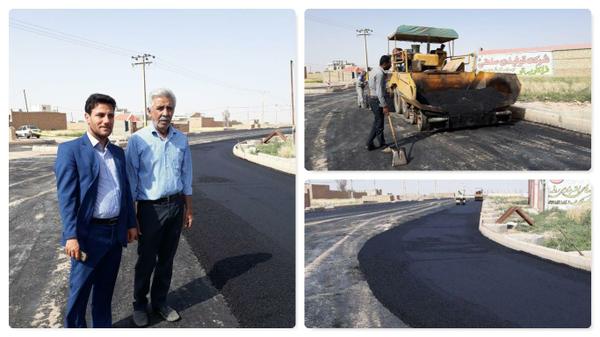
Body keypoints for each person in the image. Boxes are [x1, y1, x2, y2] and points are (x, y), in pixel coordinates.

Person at [55, 93, 138, 328]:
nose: (106, 120)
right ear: (87, 117)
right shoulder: (71, 150)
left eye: (110, 115)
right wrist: (71, 236)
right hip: (88, 236)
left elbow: (125, 192)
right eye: (100, 115)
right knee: (79, 294)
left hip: (114, 234)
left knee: (105, 292)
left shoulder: (117, 153)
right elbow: (67, 198)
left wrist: (131, 223)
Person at [126, 88, 193, 327]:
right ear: (149, 111)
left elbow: (186, 175)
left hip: (175, 207)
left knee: (167, 259)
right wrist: (131, 217)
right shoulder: (138, 140)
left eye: (170, 108)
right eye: (160, 108)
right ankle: (139, 305)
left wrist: (188, 209)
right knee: (146, 260)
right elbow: (131, 178)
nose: (165, 113)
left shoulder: (181, 139)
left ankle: (160, 303)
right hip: (149, 210)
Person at [366, 55, 392, 151]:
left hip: (372, 99)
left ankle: (369, 143)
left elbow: (375, 87)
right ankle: (382, 145)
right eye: (390, 62)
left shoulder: (374, 70)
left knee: (377, 122)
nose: (391, 64)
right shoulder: (380, 74)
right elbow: (379, 92)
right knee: (379, 124)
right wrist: (384, 105)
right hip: (377, 100)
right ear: (385, 63)